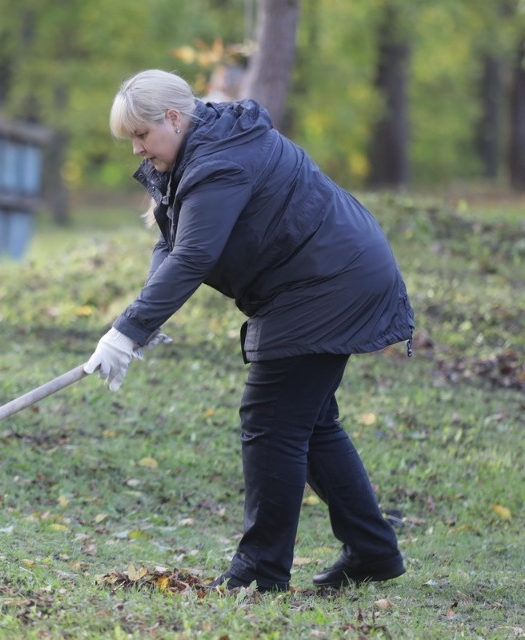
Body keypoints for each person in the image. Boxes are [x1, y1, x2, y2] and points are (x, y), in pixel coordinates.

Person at [84, 69, 414, 592]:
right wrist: (140, 323)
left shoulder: (219, 162)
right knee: (311, 422)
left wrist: (127, 329)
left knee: (271, 419)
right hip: (325, 276)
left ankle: (260, 573)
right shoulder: (201, 147)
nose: (137, 149)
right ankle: (372, 550)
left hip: (329, 281)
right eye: (131, 140)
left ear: (174, 117)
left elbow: (194, 255)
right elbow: (173, 240)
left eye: (141, 135)